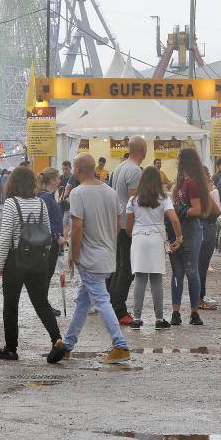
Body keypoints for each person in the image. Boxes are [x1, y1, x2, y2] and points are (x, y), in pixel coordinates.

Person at [48, 154, 130, 365]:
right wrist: (109, 245)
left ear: (77, 169)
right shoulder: (110, 193)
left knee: (101, 300)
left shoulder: (78, 193)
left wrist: (74, 254)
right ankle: (68, 344)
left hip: (89, 256)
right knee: (83, 302)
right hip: (107, 253)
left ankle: (120, 344)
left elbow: (77, 226)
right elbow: (117, 222)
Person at [0, 166, 63, 362]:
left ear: (13, 183)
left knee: (11, 305)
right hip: (38, 260)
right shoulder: (41, 204)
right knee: (41, 302)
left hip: (16, 261)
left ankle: (11, 348)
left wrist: (0, 264)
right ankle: (57, 339)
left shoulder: (11, 204)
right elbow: (48, 235)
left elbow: (6, 236)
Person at [125, 167, 182, 330]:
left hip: (139, 237)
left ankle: (136, 318)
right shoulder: (164, 198)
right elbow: (175, 220)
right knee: (156, 279)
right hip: (157, 238)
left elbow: (128, 226)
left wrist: (133, 233)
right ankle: (159, 319)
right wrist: (179, 238)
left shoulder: (133, 200)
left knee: (140, 278)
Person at [168, 148, 210, 326]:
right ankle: (176, 312)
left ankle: (194, 312)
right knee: (178, 273)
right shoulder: (181, 182)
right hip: (179, 229)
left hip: (190, 230)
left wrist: (178, 210)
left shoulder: (192, 183)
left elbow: (198, 210)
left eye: (179, 159)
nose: (177, 162)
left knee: (190, 271)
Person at [107, 136, 146, 325]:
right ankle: (118, 309)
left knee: (120, 265)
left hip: (118, 223)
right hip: (128, 225)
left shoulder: (119, 167)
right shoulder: (135, 171)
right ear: (143, 150)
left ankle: (110, 303)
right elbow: (134, 201)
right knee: (128, 269)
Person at [37, 168, 66, 317]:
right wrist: (57, 235)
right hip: (50, 242)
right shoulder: (46, 198)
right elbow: (46, 220)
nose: (60, 181)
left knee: (47, 275)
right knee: (46, 275)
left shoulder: (48, 196)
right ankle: (43, 305)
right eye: (58, 178)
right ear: (52, 180)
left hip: (52, 240)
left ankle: (43, 304)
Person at [197, 170, 221, 311]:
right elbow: (217, 211)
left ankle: (199, 297)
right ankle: (200, 298)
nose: (210, 184)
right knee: (202, 266)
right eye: (208, 181)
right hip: (206, 228)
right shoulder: (202, 193)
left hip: (200, 228)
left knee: (199, 266)